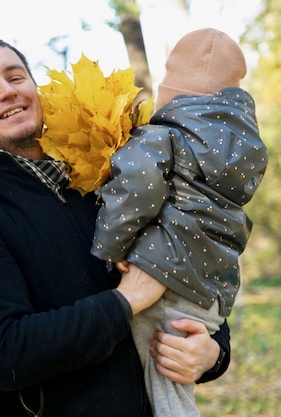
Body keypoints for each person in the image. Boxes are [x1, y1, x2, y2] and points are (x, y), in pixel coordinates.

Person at [0, 36, 232, 416]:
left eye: (15, 78)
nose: (6, 92)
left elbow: (188, 251)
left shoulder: (107, 164)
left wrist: (213, 350)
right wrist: (124, 302)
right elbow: (6, 352)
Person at [91, 28, 267, 416]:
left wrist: (111, 247)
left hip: (161, 277)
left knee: (159, 389)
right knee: (172, 390)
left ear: (172, 93)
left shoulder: (161, 136)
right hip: (207, 296)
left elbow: (135, 190)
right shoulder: (241, 159)